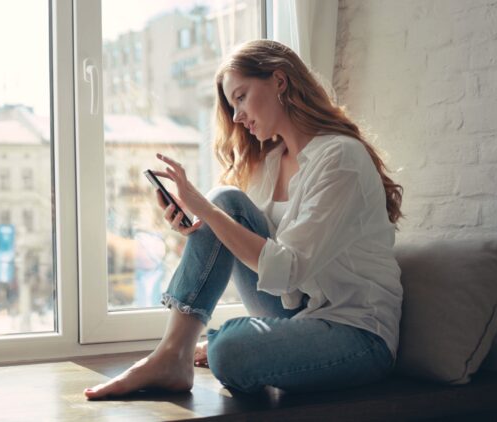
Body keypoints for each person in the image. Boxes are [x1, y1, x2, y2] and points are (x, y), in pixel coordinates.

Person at [84, 39, 404, 399]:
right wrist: (194, 218)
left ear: (280, 81)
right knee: (225, 201)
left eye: (240, 96)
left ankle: (206, 346)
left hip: (358, 335)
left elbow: (287, 269)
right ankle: (173, 353)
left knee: (229, 349)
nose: (236, 116)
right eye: (231, 104)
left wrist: (207, 211)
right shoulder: (270, 162)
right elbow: (232, 235)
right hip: (296, 312)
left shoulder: (341, 158)